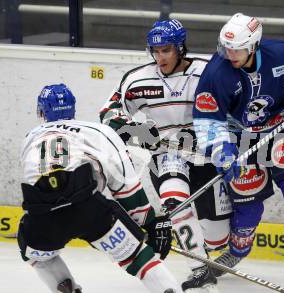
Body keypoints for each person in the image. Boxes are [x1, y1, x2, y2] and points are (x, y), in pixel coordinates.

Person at [192, 13, 284, 289]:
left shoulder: (281, 53)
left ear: (253, 45)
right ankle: (237, 252)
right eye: (225, 47)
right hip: (239, 138)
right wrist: (220, 151)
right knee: (248, 207)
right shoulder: (216, 73)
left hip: (282, 127)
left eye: (236, 48)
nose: (229, 54)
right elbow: (207, 119)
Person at [99, 19, 232, 292]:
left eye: (166, 50)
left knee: (219, 237)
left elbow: (233, 105)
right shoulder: (137, 79)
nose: (160, 57)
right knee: (175, 204)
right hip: (167, 155)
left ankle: (210, 248)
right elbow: (109, 112)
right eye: (155, 51)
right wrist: (136, 131)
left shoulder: (207, 71)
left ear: (181, 48)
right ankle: (200, 269)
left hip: (206, 157)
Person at [18, 83, 183, 293]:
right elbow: (125, 186)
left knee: (35, 255)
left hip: (42, 216)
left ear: (41, 111)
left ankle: (66, 287)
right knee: (139, 258)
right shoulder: (98, 131)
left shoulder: (30, 138)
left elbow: (38, 181)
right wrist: (149, 223)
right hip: (88, 210)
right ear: (73, 109)